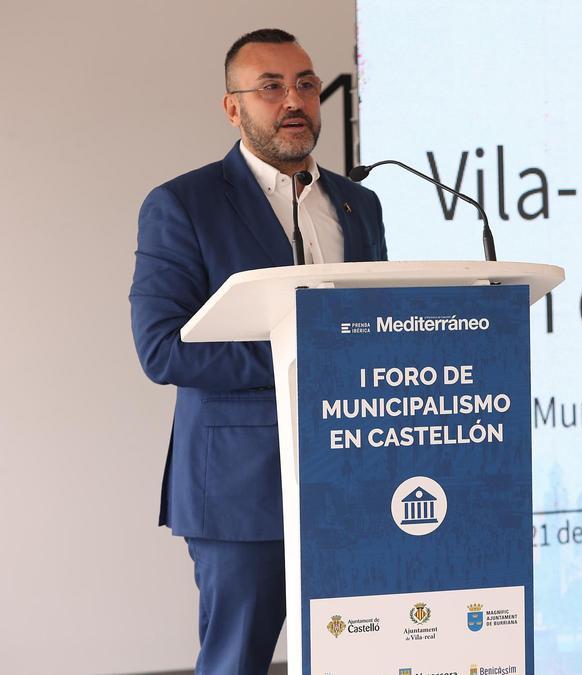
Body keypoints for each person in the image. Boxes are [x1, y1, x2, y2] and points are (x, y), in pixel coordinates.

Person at [129, 28, 387, 674]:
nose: (293, 100)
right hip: (240, 487)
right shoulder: (183, 205)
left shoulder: (359, 205)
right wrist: (300, 357)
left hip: (353, 478)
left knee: (353, 656)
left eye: (304, 83)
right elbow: (162, 347)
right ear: (233, 107)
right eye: (270, 87)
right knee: (235, 661)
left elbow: (376, 322)